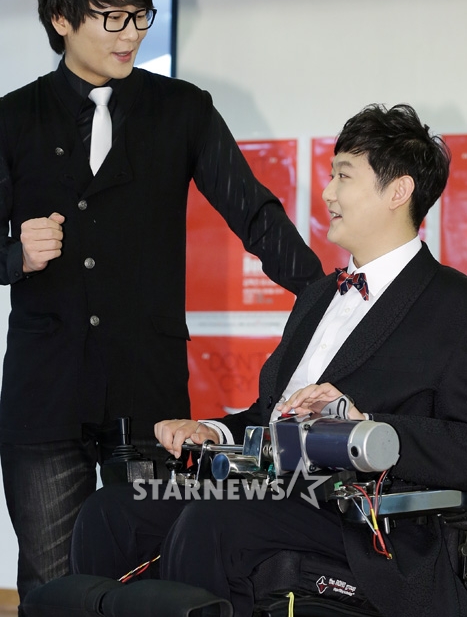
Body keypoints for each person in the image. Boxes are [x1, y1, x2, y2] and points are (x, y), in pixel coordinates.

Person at [0, 0, 322, 610]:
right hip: (44, 394)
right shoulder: (13, 118)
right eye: (111, 17)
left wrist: (329, 297)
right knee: (51, 587)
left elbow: (253, 213)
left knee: (153, 582)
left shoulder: (182, 109)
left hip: (150, 397)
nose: (131, 35)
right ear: (62, 18)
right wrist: (14, 255)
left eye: (139, 16)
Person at [71, 103, 467, 617]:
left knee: (218, 524)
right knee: (112, 513)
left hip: (363, 519)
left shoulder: (453, 305)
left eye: (343, 176)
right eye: (331, 175)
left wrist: (365, 423)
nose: (327, 193)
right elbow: (272, 417)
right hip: (267, 490)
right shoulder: (318, 297)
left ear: (399, 191)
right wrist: (215, 431)